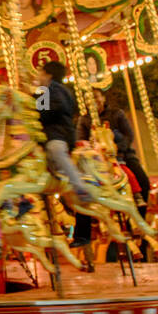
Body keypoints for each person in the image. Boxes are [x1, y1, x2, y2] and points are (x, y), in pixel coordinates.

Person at [72, 89, 149, 246]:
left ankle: (138, 222)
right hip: (96, 159)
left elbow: (129, 136)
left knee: (143, 181)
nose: (93, 101)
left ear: (103, 98)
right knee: (80, 187)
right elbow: (80, 140)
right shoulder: (84, 120)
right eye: (89, 98)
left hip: (122, 155)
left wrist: (116, 148)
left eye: (96, 97)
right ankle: (84, 232)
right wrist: (93, 151)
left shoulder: (116, 114)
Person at [36, 60, 93, 208]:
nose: (39, 76)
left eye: (41, 73)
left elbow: (55, 108)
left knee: (56, 150)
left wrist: (39, 111)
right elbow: (39, 107)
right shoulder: (45, 91)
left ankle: (80, 187)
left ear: (48, 75)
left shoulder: (57, 90)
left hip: (59, 135)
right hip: (48, 135)